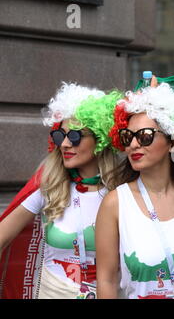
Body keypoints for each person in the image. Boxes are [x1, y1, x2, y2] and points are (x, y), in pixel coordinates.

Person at [95, 83, 174, 299]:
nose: (134, 145)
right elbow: (106, 279)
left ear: (171, 141)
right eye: (127, 137)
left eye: (144, 136)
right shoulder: (115, 203)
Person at [0, 83, 122, 299]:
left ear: (100, 139)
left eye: (75, 136)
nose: (65, 144)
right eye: (59, 136)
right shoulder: (49, 186)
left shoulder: (124, 192)